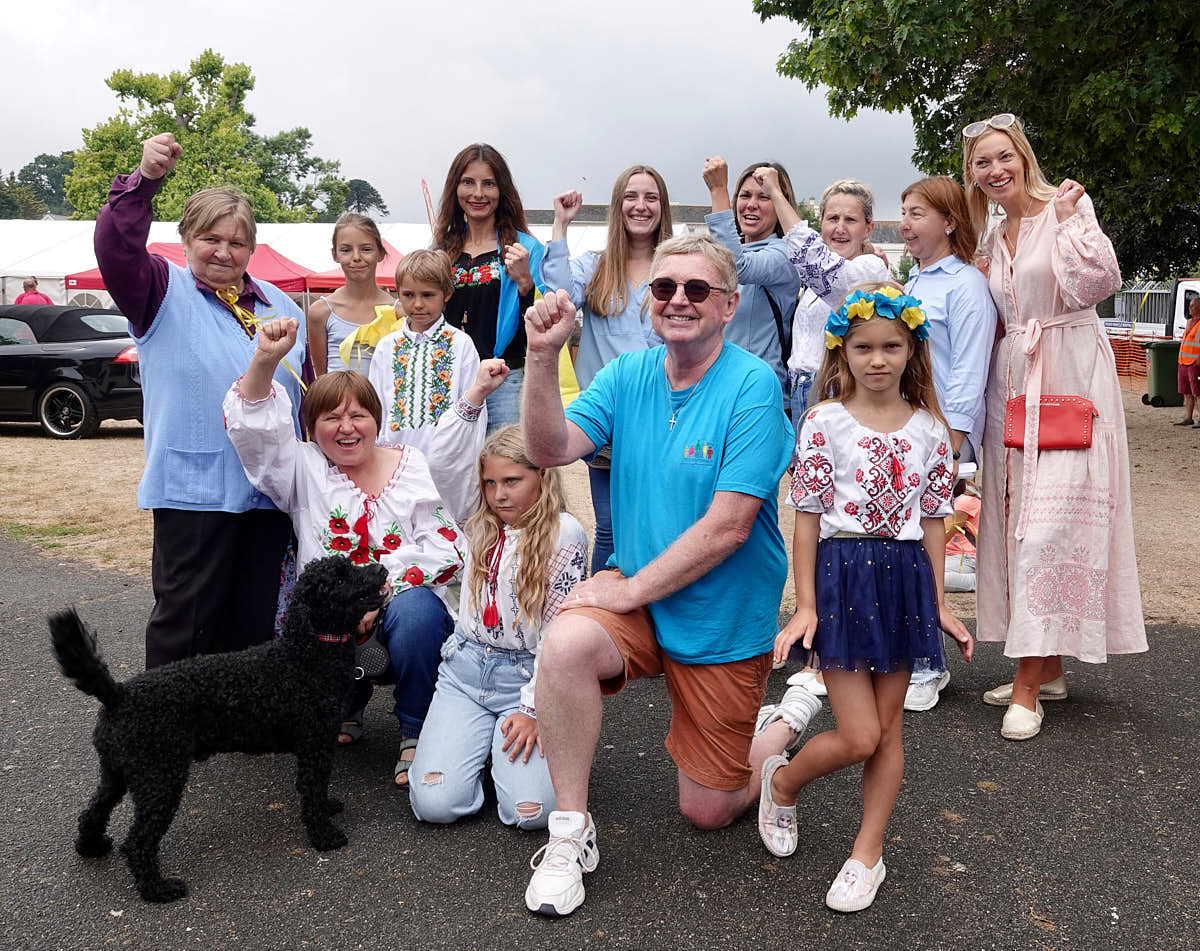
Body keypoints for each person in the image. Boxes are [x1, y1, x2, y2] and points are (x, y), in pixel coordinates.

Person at [519, 234, 814, 918]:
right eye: (664, 287)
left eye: (697, 289)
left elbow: (729, 526)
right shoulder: (627, 373)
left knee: (708, 810)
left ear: (728, 304)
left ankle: (780, 727)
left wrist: (625, 588)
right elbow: (548, 448)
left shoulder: (753, 386)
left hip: (720, 611)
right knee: (565, 644)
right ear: (649, 300)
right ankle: (570, 833)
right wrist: (540, 357)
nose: (679, 299)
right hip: (644, 594)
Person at [761, 282, 973, 913]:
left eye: (891, 347)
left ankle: (867, 854)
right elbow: (806, 519)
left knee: (889, 731)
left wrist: (937, 602)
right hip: (843, 576)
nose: (878, 359)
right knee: (859, 736)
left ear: (912, 351)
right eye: (863, 348)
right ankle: (784, 782)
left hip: (904, 581)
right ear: (841, 352)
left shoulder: (932, 429)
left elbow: (933, 520)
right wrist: (805, 605)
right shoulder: (823, 421)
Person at [962, 113, 1147, 739]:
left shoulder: (1066, 205)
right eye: (982, 162)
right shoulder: (994, 234)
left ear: (1023, 156)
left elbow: (1098, 284)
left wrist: (1069, 223)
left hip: (1071, 374)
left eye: (1003, 157)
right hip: (1014, 383)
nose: (995, 170)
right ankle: (1050, 668)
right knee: (1019, 523)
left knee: (1051, 527)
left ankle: (1026, 685)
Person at [94, 132, 307, 669]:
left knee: (253, 630)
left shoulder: (283, 306)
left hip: (268, 497)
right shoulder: (159, 290)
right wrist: (144, 181)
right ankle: (158, 716)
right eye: (210, 238)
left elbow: (300, 402)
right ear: (187, 238)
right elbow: (116, 248)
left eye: (237, 242)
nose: (224, 252)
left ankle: (235, 718)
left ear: (252, 250)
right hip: (194, 494)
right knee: (185, 626)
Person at [223, 317, 466, 786]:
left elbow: (446, 547)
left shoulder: (410, 463)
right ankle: (344, 705)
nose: (346, 427)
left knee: (418, 613)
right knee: (318, 611)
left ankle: (416, 729)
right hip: (329, 622)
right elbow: (254, 433)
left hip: (397, 606)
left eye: (358, 415)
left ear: (377, 419)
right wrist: (265, 360)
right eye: (331, 418)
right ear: (311, 428)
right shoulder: (301, 466)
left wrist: (378, 597)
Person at [409, 375, 588, 830]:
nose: (499, 494)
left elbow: (558, 631)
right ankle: (475, 747)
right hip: (466, 673)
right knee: (435, 804)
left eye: (512, 481)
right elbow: (441, 459)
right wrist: (473, 398)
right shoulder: (478, 521)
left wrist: (533, 710)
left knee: (533, 813)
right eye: (490, 483)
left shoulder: (564, 533)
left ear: (542, 476)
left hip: (526, 679)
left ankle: (505, 754)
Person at [897, 176, 998, 712]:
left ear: (950, 222)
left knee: (926, 549)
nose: (905, 225)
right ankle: (906, 655)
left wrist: (952, 442)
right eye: (904, 213)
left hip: (941, 437)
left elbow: (969, 368)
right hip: (907, 431)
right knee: (902, 546)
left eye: (917, 214)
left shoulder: (965, 285)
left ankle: (928, 664)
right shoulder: (914, 282)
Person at [541, 166, 673, 573]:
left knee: (664, 522)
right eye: (631, 196)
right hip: (609, 423)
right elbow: (559, 295)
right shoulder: (596, 267)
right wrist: (561, 224)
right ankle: (602, 603)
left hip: (667, 415)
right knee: (612, 527)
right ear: (617, 206)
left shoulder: (676, 267)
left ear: (663, 206)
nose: (640, 206)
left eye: (650, 197)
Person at [753, 171, 891, 428]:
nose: (840, 228)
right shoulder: (813, 284)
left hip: (838, 390)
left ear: (868, 228)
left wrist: (775, 193)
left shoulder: (870, 268)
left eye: (851, 220)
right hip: (800, 391)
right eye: (832, 218)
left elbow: (820, 265)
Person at [434, 143, 544, 431]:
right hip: (449, 377)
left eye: (489, 184)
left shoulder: (527, 250)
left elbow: (543, 328)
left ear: (502, 190)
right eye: (468, 182)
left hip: (503, 380)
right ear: (455, 188)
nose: (478, 193)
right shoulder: (440, 251)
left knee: (504, 456)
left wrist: (525, 284)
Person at [702, 157, 802, 392]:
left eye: (764, 197)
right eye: (745, 195)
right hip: (716, 385)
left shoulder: (785, 255)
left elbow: (736, 267)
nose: (751, 204)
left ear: (781, 205)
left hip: (757, 390)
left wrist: (718, 190)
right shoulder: (725, 251)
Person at [367, 249, 480, 454]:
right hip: (393, 458)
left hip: (446, 458)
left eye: (428, 295)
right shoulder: (386, 347)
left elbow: (473, 408)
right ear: (398, 293)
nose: (418, 304)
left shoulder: (461, 344)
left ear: (447, 294)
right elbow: (375, 405)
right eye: (408, 295)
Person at [306, 213, 398, 376]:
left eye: (366, 249)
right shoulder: (321, 312)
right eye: (346, 250)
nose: (356, 257)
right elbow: (322, 379)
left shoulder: (398, 311)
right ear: (335, 254)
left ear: (380, 253)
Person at [1175, 297, 1200, 426]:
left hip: (1195, 363)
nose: (1190, 308)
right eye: (1190, 305)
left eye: (1193, 306)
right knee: (1187, 392)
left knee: (1198, 392)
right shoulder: (1189, 322)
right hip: (1184, 362)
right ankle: (1188, 418)